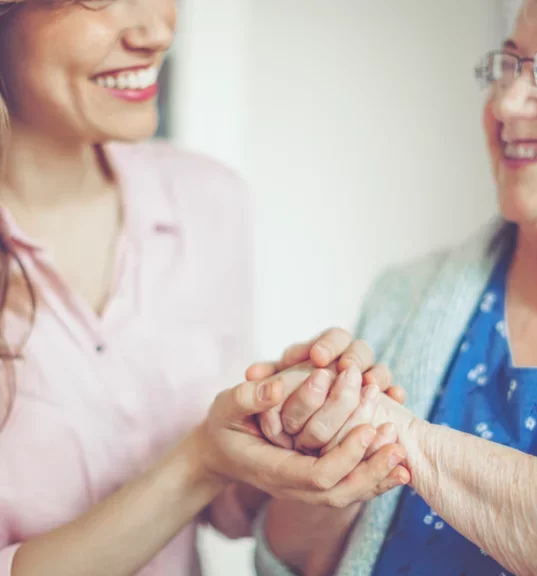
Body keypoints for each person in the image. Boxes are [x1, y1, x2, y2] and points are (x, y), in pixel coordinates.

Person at [0, 1, 411, 575]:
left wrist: (287, 428)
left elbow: (227, 512)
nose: (155, 30)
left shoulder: (208, 200)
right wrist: (202, 462)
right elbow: (203, 470)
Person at [252, 0, 537, 574]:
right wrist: (319, 444)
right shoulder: (404, 295)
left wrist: (395, 432)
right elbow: (298, 560)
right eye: (507, 65)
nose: (505, 103)